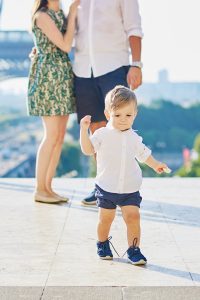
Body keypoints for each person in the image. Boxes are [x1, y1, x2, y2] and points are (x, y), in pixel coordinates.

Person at [80, 85, 170, 265]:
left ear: (135, 114)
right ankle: (102, 243)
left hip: (130, 187)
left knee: (133, 217)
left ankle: (134, 250)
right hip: (107, 187)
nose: (123, 120)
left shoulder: (134, 138)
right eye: (117, 115)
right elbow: (88, 150)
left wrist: (156, 165)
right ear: (108, 114)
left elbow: (145, 155)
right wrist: (84, 130)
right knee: (106, 218)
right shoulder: (102, 134)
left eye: (128, 115)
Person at [73, 0, 144, 205]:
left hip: (113, 65)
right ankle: (103, 187)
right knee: (96, 130)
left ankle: (125, 188)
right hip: (82, 69)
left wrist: (137, 64)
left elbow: (134, 27)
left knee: (119, 127)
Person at [27, 0, 79, 203]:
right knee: (51, 135)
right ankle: (39, 189)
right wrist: (74, 12)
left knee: (59, 137)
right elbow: (66, 45)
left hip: (63, 78)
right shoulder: (42, 15)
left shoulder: (59, 13)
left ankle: (48, 188)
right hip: (48, 79)